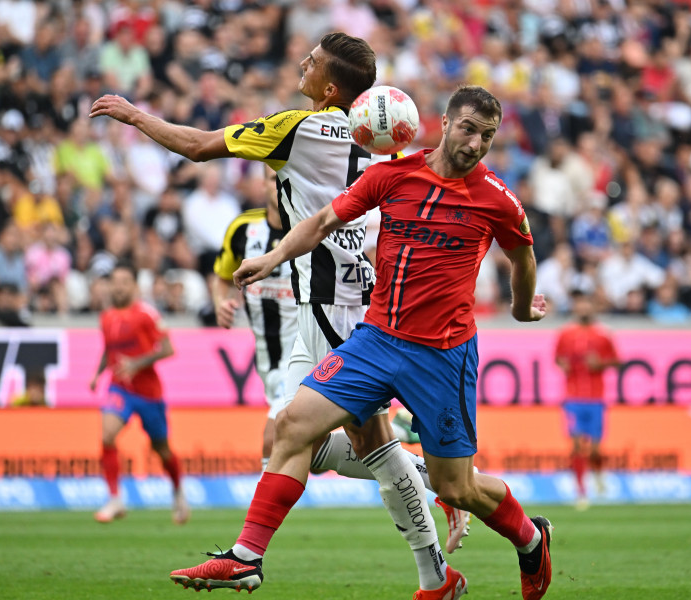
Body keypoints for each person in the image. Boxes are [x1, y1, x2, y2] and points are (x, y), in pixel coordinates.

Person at [91, 32, 468, 596]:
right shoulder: (387, 143)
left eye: (312, 62)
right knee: (297, 440)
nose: (302, 63)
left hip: (330, 303)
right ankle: (424, 505)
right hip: (331, 298)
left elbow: (197, 146)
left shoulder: (300, 127)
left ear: (330, 87)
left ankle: (441, 520)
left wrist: (134, 115)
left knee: (366, 441)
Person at [168, 86, 553, 600]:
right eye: (468, 129)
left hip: (444, 355)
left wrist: (522, 306)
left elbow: (522, 257)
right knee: (291, 425)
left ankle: (530, 539)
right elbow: (325, 220)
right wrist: (273, 258)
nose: (476, 143)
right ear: (443, 123)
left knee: (455, 487)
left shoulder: (497, 199)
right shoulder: (391, 176)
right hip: (375, 341)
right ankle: (246, 558)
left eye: (487, 135)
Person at [88, 261, 189, 525]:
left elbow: (168, 349)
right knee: (107, 435)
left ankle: (178, 492)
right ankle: (115, 499)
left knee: (162, 450)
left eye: (124, 282)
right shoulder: (106, 317)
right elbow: (109, 351)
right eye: (115, 282)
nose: (118, 287)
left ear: (133, 286)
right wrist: (98, 374)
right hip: (119, 387)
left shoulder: (147, 314)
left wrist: (136, 363)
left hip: (148, 392)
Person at [212, 169, 297, 471]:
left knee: (272, 440)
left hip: (305, 353)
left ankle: (263, 518)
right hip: (268, 360)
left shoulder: (309, 227)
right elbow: (222, 278)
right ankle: (407, 465)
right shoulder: (243, 228)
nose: (281, 185)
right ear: (262, 184)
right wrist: (221, 302)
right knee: (310, 447)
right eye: (274, 177)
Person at [554, 289, 620, 510]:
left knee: (594, 450)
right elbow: (558, 358)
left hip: (596, 399)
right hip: (572, 398)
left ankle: (599, 474)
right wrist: (563, 365)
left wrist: (600, 364)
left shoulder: (602, 334)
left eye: (586, 304)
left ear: (592, 307)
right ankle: (581, 492)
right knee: (575, 447)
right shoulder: (565, 334)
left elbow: (617, 361)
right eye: (579, 304)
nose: (583, 308)